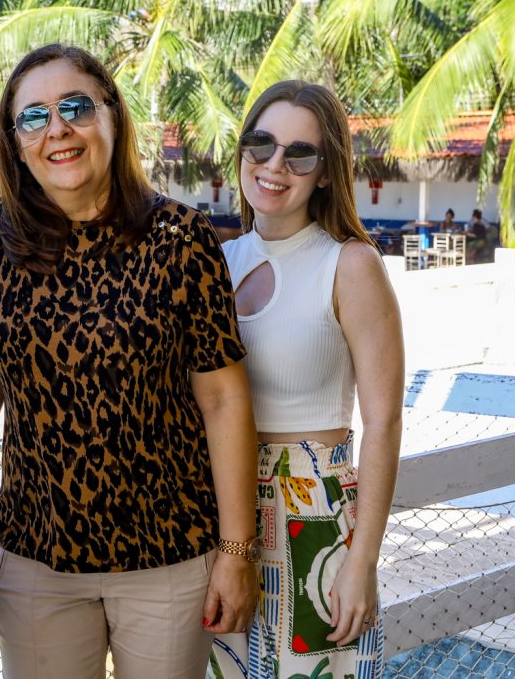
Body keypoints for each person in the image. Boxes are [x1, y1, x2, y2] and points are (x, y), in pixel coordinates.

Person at [0, 44, 259, 679]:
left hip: (169, 559)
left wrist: (236, 552)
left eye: (75, 107)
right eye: (32, 116)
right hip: (35, 560)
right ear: (16, 141)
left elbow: (224, 399)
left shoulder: (182, 239)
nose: (56, 129)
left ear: (113, 118)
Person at [209, 80, 404, 679]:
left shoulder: (349, 265)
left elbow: (386, 422)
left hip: (313, 515)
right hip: (221, 517)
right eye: (260, 144)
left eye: (300, 153)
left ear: (325, 172)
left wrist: (361, 560)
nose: (274, 165)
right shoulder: (215, 261)